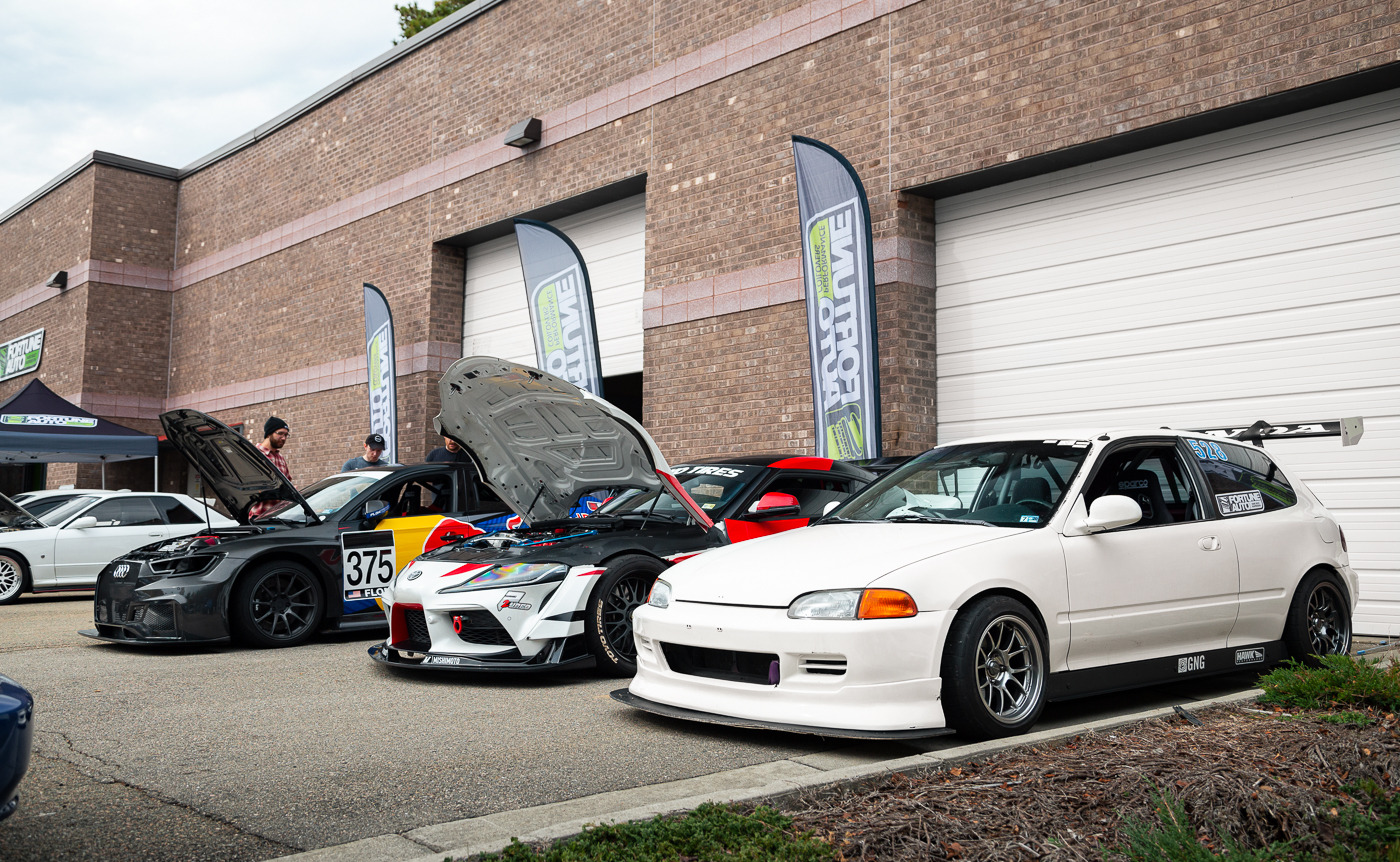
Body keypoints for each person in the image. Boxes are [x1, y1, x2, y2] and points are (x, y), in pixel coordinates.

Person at [248, 417, 292, 519]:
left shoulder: (280, 458)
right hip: (259, 516)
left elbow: (288, 485)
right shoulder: (255, 454)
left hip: (279, 517)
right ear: (269, 434)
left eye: (286, 435)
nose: (284, 438)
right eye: (280, 433)